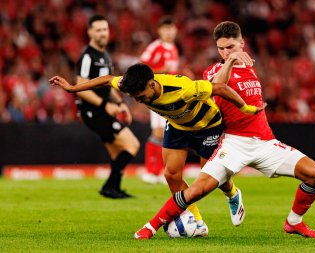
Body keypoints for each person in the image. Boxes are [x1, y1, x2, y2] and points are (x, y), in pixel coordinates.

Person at [133, 21, 315, 240]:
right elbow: (217, 88)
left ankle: (294, 222)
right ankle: (151, 226)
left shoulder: (251, 69)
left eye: (230, 47)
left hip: (265, 142)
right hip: (233, 143)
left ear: (242, 43)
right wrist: (231, 60)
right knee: (197, 189)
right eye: (221, 49)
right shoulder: (215, 69)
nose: (225, 52)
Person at [49, 63, 264, 237]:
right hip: (177, 126)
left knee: (209, 179)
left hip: (205, 126)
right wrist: (72, 88)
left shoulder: (183, 88)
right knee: (171, 174)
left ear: (152, 85)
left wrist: (245, 108)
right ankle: (195, 220)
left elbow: (220, 88)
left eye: (140, 95)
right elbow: (107, 80)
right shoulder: (132, 84)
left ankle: (233, 194)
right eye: (133, 96)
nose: (137, 100)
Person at [75, 15, 140, 199]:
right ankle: (108, 187)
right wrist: (105, 105)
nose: (103, 33)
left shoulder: (104, 56)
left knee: (117, 151)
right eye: (98, 30)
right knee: (132, 144)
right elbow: (81, 88)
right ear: (90, 32)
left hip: (103, 110)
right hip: (93, 111)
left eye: (105, 29)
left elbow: (108, 85)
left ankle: (114, 188)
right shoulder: (87, 56)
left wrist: (120, 104)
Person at [139, 16, 179, 184]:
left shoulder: (174, 49)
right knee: (158, 132)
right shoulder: (154, 48)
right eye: (165, 29)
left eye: (171, 29)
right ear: (159, 31)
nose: (169, 32)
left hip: (170, 95)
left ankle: (160, 171)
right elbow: (141, 68)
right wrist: (161, 70)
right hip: (156, 96)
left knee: (166, 133)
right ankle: (151, 171)